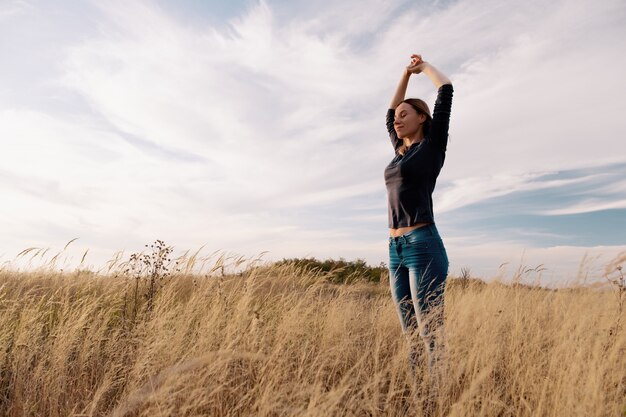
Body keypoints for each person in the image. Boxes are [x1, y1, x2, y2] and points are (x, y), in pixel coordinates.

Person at [384, 54, 453, 380]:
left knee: (429, 333)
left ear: (422, 118)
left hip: (423, 245)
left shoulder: (432, 146)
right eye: (396, 117)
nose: (397, 120)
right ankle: (417, 398)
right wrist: (403, 74)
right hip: (395, 248)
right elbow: (388, 112)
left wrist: (422, 68)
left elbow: (446, 89)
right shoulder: (400, 151)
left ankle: (437, 397)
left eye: (404, 115)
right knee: (409, 334)